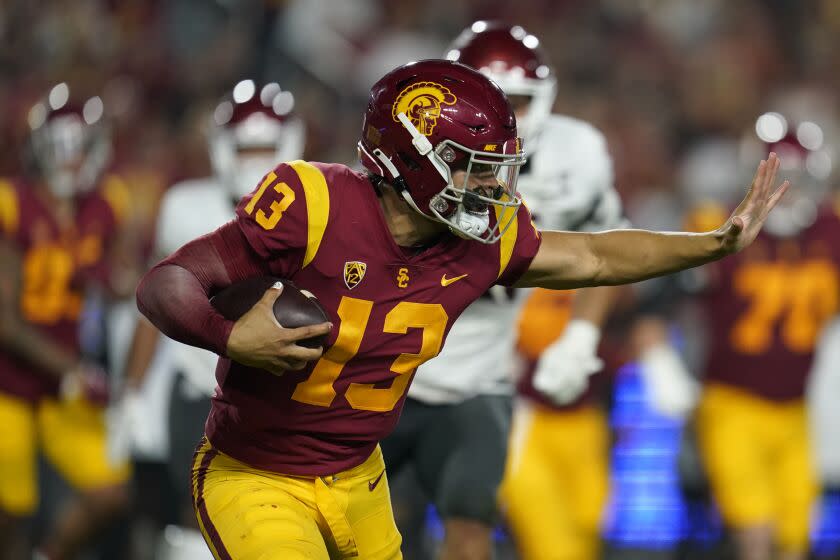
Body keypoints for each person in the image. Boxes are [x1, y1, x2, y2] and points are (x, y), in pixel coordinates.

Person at [136, 59, 788, 560]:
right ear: (411, 161)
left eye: (496, 168)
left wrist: (710, 244)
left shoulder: (483, 242)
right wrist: (229, 338)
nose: (491, 186)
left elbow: (592, 258)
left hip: (358, 476)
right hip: (258, 472)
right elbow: (165, 283)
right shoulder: (315, 202)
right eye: (473, 166)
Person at [379, 22, 629, 560]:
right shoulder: (411, 148)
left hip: (479, 378)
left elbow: (604, 253)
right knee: (366, 533)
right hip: (385, 371)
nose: (501, 117)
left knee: (471, 530)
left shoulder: (575, 156)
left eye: (516, 101)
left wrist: (581, 337)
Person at [112, 79, 305, 559]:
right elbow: (152, 309)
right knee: (195, 521)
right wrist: (132, 393)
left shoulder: (317, 212)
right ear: (221, 150)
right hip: (203, 394)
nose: (257, 161)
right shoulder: (185, 207)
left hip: (285, 397)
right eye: (247, 149)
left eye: (266, 147)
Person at [687, 114, 839, 560]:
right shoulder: (717, 223)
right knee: (755, 537)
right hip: (733, 405)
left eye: (797, 178)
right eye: (779, 178)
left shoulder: (831, 229)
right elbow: (666, 292)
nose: (787, 191)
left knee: (795, 538)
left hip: (797, 410)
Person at [0, 83, 132, 560]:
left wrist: (118, 282)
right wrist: (72, 370)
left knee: (111, 491)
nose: (70, 162)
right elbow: (5, 322)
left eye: (79, 151)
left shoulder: (107, 204)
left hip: (64, 386)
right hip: (10, 383)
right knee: (11, 512)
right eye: (60, 150)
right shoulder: (12, 202)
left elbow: (121, 281)